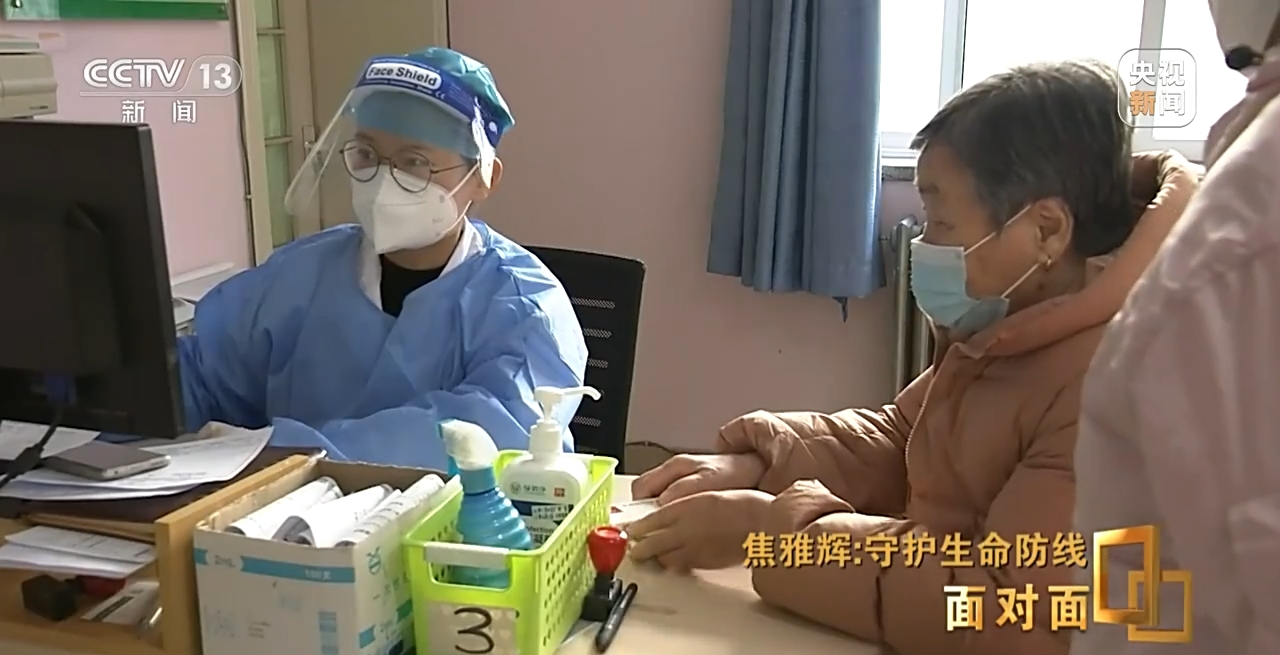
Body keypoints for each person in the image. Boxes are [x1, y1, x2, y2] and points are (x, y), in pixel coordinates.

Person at [626, 60, 1199, 655]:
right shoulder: (1013, 324)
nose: (924, 245)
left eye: (942, 223)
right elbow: (906, 438)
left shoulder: (1111, 383)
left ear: (1046, 231)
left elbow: (1007, 607)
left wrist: (770, 535)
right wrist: (760, 465)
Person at [176, 47, 588, 468]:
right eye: (367, 155)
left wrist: (283, 452)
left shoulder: (523, 307)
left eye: (415, 162)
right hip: (274, 506)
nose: (384, 180)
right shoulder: (297, 275)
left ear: (484, 178)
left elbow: (488, 439)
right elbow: (198, 379)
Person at [1071, 2, 1280, 653]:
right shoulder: (977, 348)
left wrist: (814, 530)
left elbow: (1009, 592)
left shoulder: (1233, 259)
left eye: (945, 219)